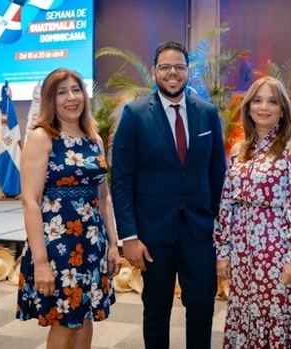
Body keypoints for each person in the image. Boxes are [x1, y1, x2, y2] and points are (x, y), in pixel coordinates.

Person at [111, 41, 227, 349]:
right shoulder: (134, 115)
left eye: (179, 67)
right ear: (154, 71)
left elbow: (218, 175)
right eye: (165, 67)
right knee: (156, 312)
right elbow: (121, 179)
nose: (172, 73)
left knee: (202, 308)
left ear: (188, 72)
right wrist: (130, 236)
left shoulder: (207, 114)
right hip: (152, 236)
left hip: (199, 232)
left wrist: (217, 224)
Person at [16, 68, 121, 348]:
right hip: (58, 244)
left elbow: (104, 196)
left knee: (85, 317)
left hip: (92, 243)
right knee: (65, 322)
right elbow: (29, 201)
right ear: (51, 99)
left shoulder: (94, 138)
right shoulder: (42, 137)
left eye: (76, 90)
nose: (71, 98)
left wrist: (113, 244)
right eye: (62, 92)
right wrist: (40, 264)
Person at [214, 76, 291, 348]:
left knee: (277, 316)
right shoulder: (238, 150)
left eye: (272, 101)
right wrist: (223, 252)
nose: (264, 107)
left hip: (277, 252)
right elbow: (227, 205)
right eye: (257, 100)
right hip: (243, 253)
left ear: (282, 109)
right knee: (245, 315)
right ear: (248, 107)